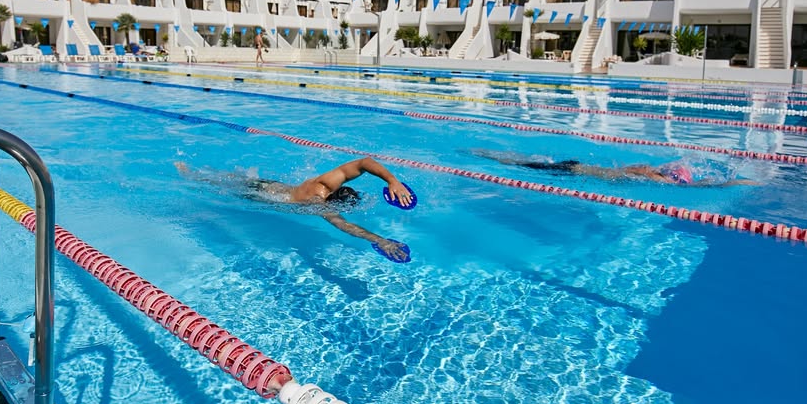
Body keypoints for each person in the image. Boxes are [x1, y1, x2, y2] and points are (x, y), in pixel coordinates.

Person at [175, 157, 414, 261]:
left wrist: (393, 181)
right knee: (221, 185)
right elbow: (346, 226)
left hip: (270, 185)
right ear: (335, 203)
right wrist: (379, 240)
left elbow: (364, 163)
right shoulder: (317, 204)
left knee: (230, 178)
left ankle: (194, 172)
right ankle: (189, 174)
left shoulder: (324, 184)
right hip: (258, 196)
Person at [470, 149, 758, 186]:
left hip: (577, 166)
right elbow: (711, 184)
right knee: (520, 163)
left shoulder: (647, 171)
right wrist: (743, 181)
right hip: (573, 170)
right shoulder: (654, 177)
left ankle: (492, 155)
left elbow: (708, 183)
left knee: (527, 162)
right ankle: (490, 156)